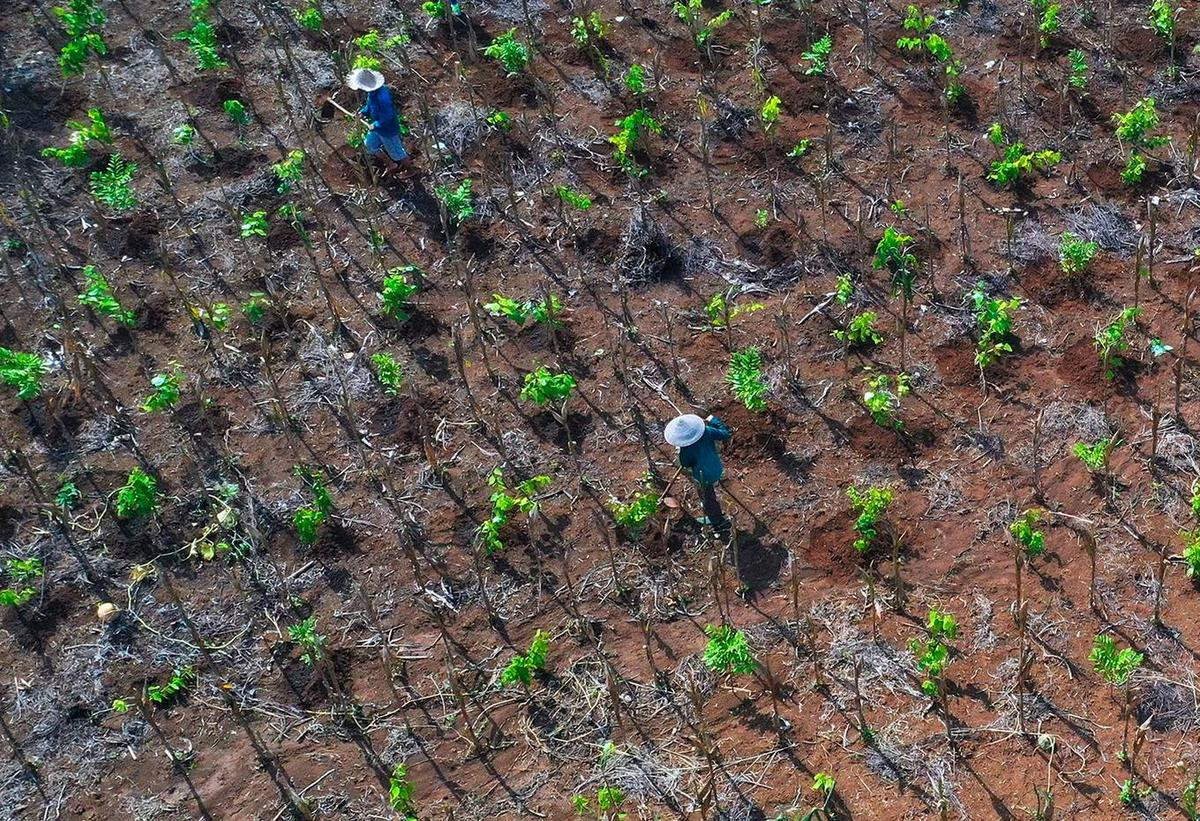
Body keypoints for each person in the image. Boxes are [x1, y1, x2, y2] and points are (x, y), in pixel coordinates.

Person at [664, 413, 732, 535]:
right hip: (716, 468)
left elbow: (685, 463)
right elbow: (725, 433)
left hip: (703, 477)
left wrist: (680, 452)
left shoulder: (686, 449)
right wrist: (713, 420)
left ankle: (718, 523)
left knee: (708, 499)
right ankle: (714, 517)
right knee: (709, 494)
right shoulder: (707, 431)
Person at [346, 68, 413, 174]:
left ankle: (410, 170)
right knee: (370, 146)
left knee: (398, 154)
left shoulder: (383, 97)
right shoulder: (371, 94)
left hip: (388, 130)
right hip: (378, 129)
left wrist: (376, 125)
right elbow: (369, 106)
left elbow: (388, 116)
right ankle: (391, 164)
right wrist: (363, 112)